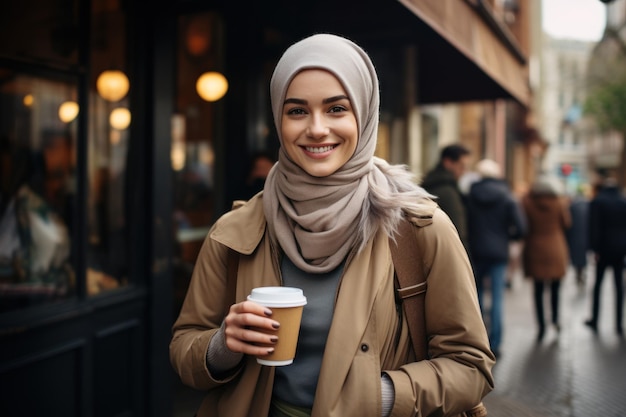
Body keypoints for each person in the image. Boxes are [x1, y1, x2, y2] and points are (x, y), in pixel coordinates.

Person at [169, 33, 494, 417]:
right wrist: (223, 345)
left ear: (364, 113)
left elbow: (471, 366)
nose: (317, 128)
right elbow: (184, 346)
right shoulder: (235, 231)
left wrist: (382, 396)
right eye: (297, 111)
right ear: (278, 119)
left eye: (337, 108)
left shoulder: (420, 229)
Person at [466, 159, 526, 357]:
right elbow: (522, 228)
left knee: (477, 296)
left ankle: (478, 341)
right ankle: (496, 343)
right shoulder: (507, 196)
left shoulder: (470, 195)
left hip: (475, 251)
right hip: (499, 252)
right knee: (498, 297)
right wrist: (508, 237)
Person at [521, 175, 571, 342]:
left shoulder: (528, 203)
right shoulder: (559, 203)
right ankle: (555, 320)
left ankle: (541, 325)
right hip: (556, 247)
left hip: (535, 247)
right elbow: (567, 223)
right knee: (556, 287)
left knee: (538, 289)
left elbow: (523, 223)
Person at [584, 174, 626, 335]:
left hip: (603, 250)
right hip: (620, 250)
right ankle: (619, 323)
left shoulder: (598, 202)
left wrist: (594, 249)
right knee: (619, 287)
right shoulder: (623, 201)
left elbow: (593, 227)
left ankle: (595, 319)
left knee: (598, 286)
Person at [421, 143, 471, 249]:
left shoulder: (430, 184)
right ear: (448, 163)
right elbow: (458, 232)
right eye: (461, 166)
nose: (463, 172)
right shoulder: (448, 192)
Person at [565, 186, 590, 287]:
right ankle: (581, 272)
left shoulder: (572, 206)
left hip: (575, 236)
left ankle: (579, 273)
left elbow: (567, 223)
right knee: (583, 256)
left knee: (577, 256)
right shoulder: (588, 206)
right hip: (584, 235)